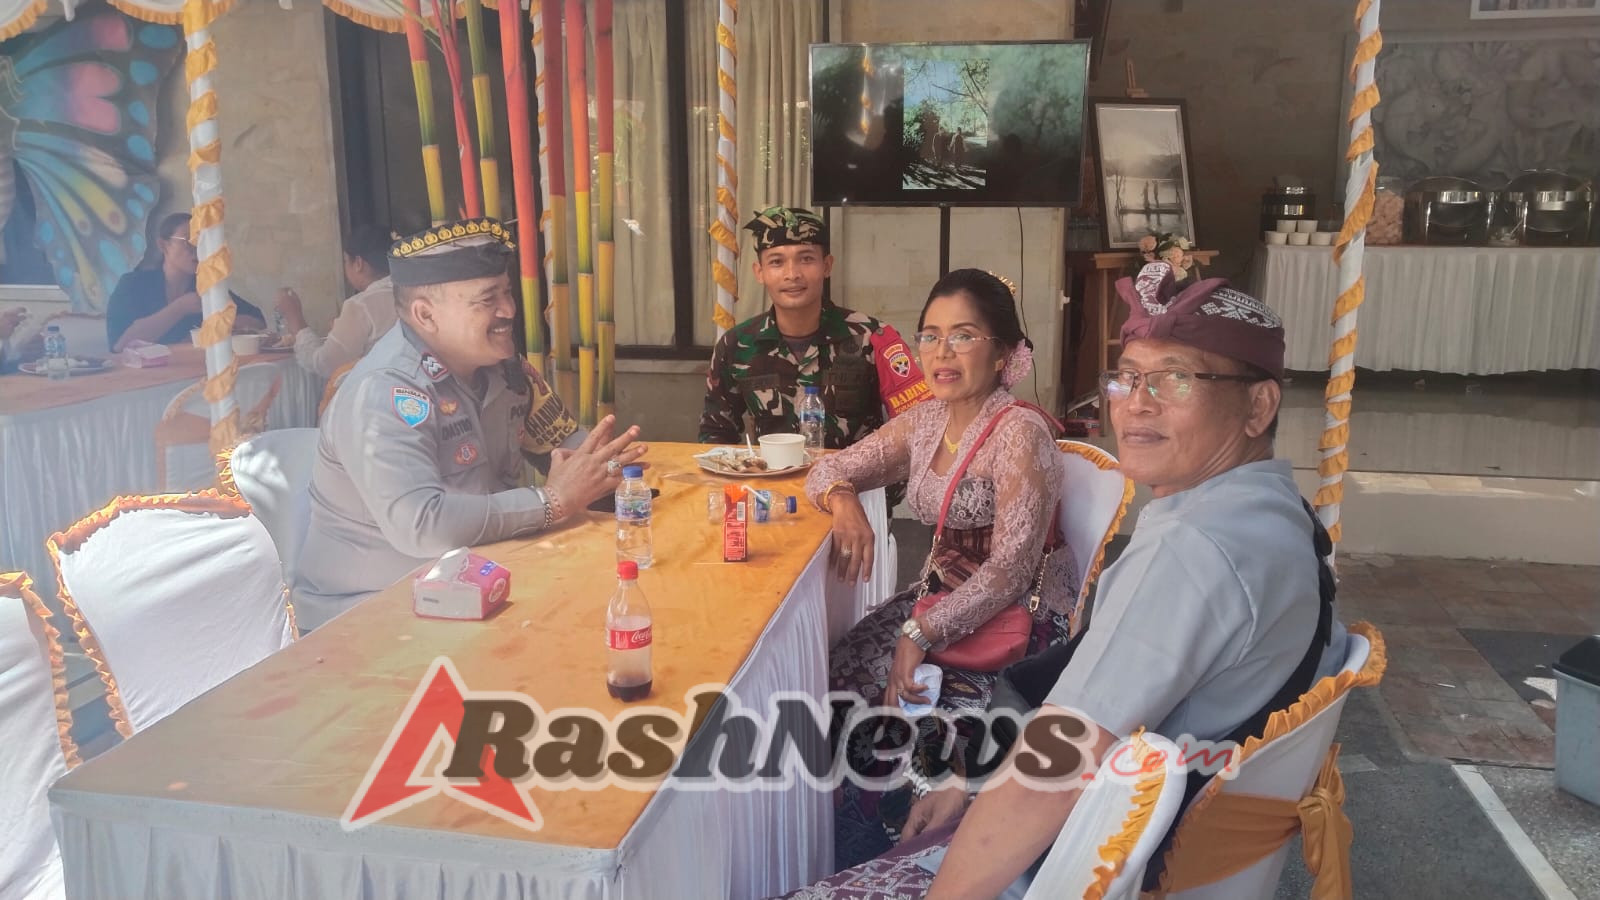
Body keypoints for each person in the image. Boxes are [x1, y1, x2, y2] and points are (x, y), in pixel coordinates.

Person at [784, 262, 1349, 898]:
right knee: (845, 678)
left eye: (1176, 379)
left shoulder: (1190, 551)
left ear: (1258, 406)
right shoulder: (1279, 513)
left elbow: (1052, 771)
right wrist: (972, 780)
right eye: (1128, 377)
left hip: (1088, 860)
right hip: (1139, 817)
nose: (1137, 403)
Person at [803, 268, 1080, 870]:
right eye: (930, 335)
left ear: (1004, 352)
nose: (941, 352)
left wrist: (918, 633)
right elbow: (827, 468)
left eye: (963, 336)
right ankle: (850, 856)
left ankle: (917, 866)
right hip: (937, 599)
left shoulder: (1020, 431)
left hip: (1016, 622)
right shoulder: (926, 420)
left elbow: (1010, 570)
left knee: (927, 737)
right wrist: (845, 502)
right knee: (836, 679)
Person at [294, 218, 646, 631]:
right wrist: (551, 501)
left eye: (507, 293)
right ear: (426, 315)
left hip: (479, 586)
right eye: (487, 300)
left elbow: (574, 450)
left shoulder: (506, 371)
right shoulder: (385, 393)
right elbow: (422, 524)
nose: (509, 311)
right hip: (371, 616)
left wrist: (617, 473)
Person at [699, 206, 931, 452]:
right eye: (777, 262)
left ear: (827, 266)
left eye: (806, 259)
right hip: (771, 476)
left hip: (857, 476)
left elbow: (918, 422)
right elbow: (716, 434)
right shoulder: (736, 345)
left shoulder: (872, 338)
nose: (792, 274)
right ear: (760, 272)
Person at [106, 212, 266, 351]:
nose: (197, 249)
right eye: (188, 241)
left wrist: (219, 325)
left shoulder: (205, 286)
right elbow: (120, 345)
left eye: (202, 242)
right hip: (142, 373)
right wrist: (180, 308)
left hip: (193, 370)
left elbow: (258, 321)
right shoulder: (133, 285)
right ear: (164, 245)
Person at [275, 224, 397, 379]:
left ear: (358, 263)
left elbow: (325, 365)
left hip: (377, 389)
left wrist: (295, 320)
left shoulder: (361, 306)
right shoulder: (410, 293)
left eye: (346, 261)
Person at [0, 306, 24, 372]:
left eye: (16, 325)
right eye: (11, 323)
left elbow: (12, 364)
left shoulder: (6, 342)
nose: (13, 328)